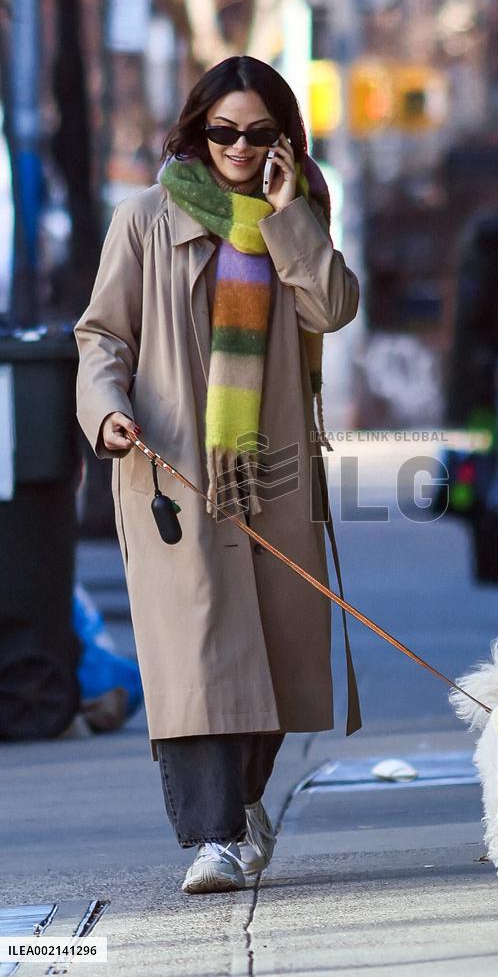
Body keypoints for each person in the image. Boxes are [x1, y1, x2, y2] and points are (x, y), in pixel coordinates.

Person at [75, 55, 362, 893]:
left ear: (283, 139)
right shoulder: (143, 220)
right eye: (224, 130)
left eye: (259, 132)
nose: (239, 145)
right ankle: (217, 837)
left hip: (268, 470)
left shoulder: (298, 214)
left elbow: (334, 308)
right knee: (197, 659)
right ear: (198, 130)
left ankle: (240, 812)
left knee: (272, 656)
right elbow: (101, 336)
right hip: (171, 471)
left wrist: (286, 219)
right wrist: (107, 409)